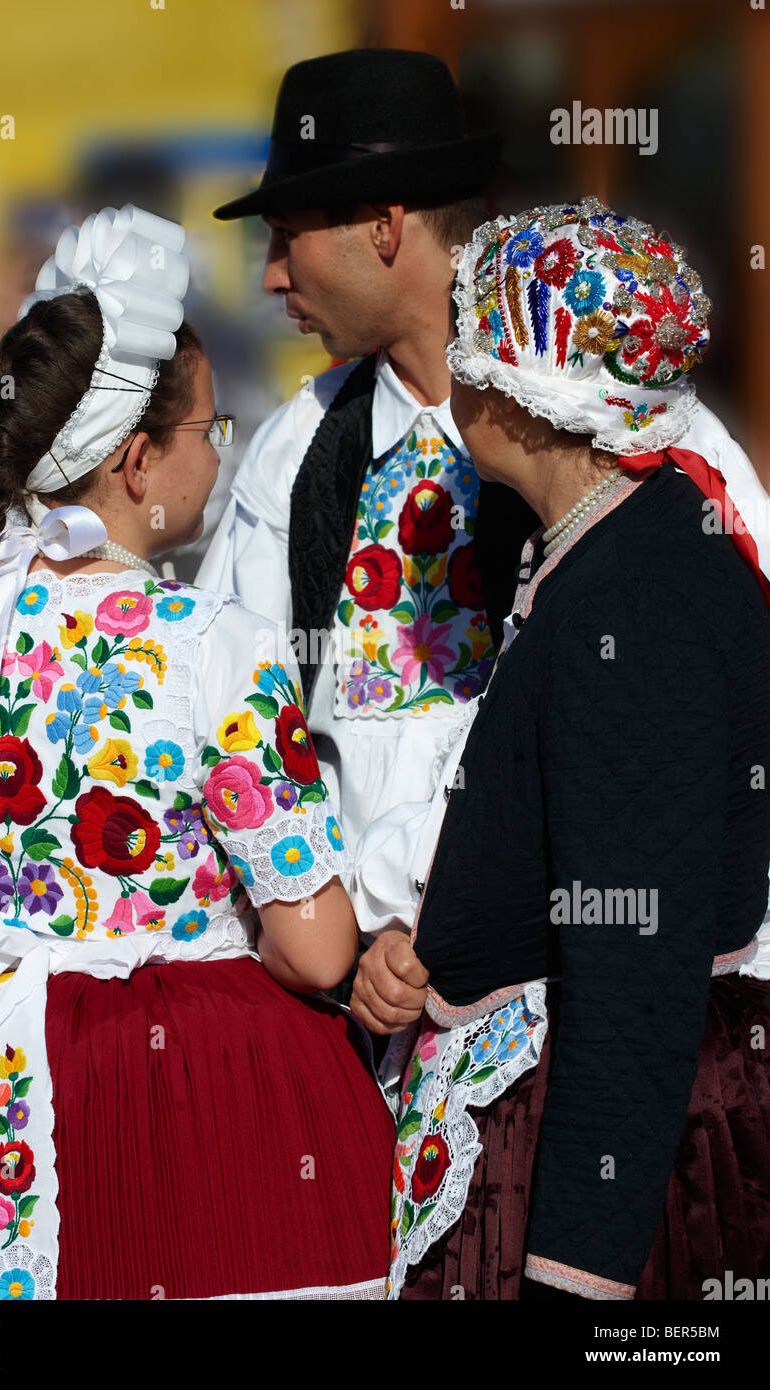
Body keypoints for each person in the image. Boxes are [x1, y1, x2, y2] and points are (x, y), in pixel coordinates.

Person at [0, 205, 395, 1301]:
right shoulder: (212, 650)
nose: (219, 447)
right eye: (208, 428)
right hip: (180, 1106)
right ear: (140, 460)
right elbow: (319, 948)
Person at [350, 196, 770, 1300]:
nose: (459, 383)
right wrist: (442, 930)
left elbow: (634, 963)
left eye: (474, 354)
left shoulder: (633, 595)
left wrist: (574, 1272)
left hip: (597, 1142)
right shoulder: (625, 541)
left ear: (524, 395)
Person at [198, 49, 540, 871]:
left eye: (285, 237)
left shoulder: (588, 418)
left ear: (384, 226)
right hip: (350, 972)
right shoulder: (301, 447)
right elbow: (221, 718)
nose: (274, 276)